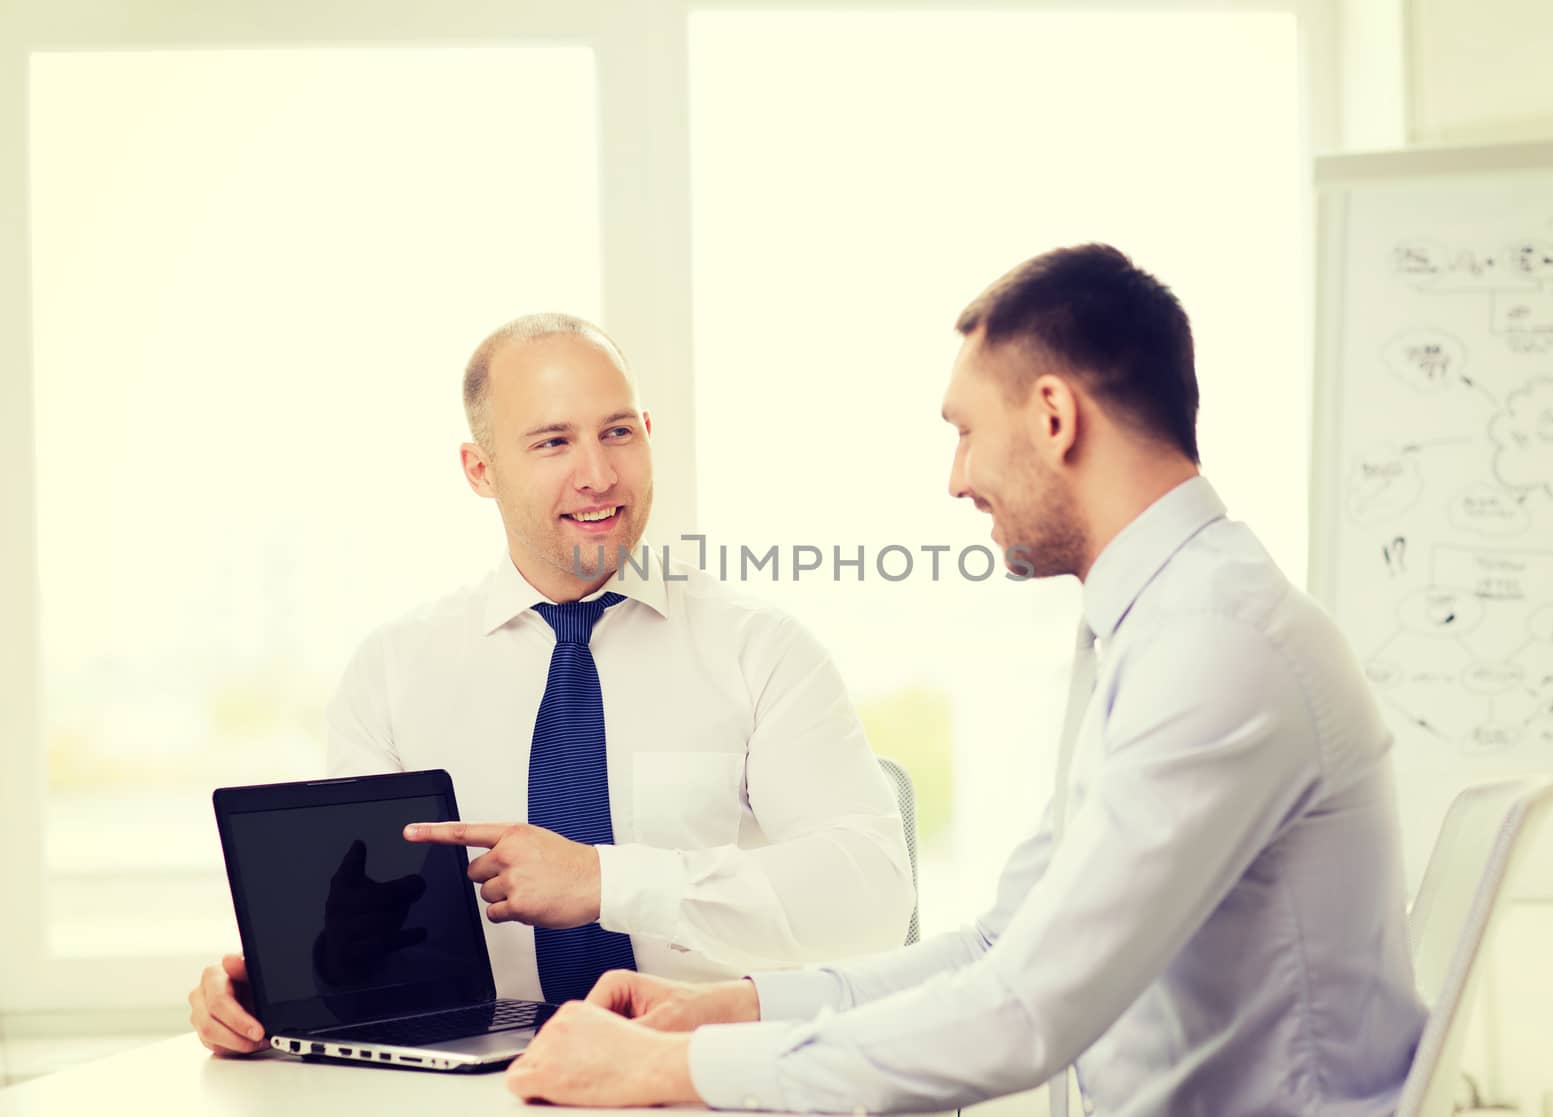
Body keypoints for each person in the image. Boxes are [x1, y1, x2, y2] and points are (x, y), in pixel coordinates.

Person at [500, 246, 1429, 1116]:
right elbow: (1002, 945)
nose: (957, 479)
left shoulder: (1217, 647)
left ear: (1055, 418)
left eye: (966, 431)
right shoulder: (1160, 625)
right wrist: (736, 1008)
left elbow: (1026, 1015)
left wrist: (669, 1068)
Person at [187, 314, 914, 1055]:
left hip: (706, 1077)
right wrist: (289, 986)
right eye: (554, 442)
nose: (598, 474)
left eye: (620, 432)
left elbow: (877, 897)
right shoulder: (392, 673)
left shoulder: (761, 651)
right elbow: (368, 934)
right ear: (480, 469)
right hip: (487, 1090)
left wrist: (608, 880)